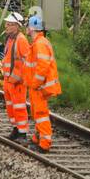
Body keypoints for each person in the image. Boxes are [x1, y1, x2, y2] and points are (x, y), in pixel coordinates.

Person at [26, 14, 62, 152]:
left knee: (41, 114)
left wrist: (36, 83)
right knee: (37, 113)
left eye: (28, 26)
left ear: (31, 28)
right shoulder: (39, 42)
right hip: (37, 85)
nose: (26, 29)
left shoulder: (40, 44)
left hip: (39, 86)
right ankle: (38, 138)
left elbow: (42, 66)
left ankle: (45, 143)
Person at [0, 11, 33, 142]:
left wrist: (21, 78)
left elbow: (27, 62)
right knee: (10, 107)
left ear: (17, 26)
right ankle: (15, 129)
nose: (6, 26)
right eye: (6, 24)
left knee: (19, 107)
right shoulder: (10, 39)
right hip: (9, 80)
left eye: (9, 24)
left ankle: (22, 133)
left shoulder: (21, 40)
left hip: (17, 81)